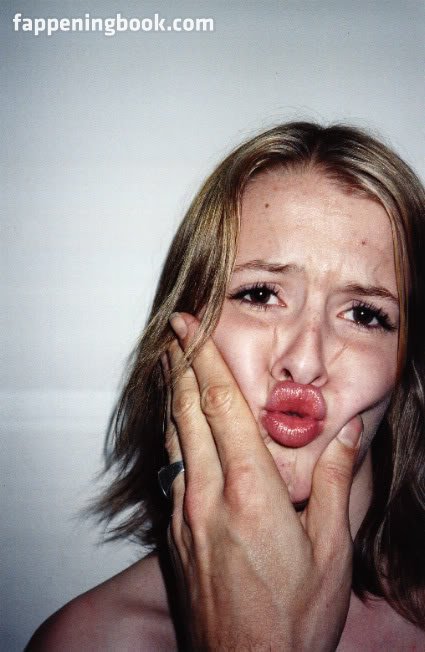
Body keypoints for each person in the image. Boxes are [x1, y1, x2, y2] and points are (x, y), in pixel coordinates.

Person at [27, 122, 425, 650]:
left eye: (364, 314)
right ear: (181, 333)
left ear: (405, 366)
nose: (305, 361)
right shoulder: (92, 640)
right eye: (260, 295)